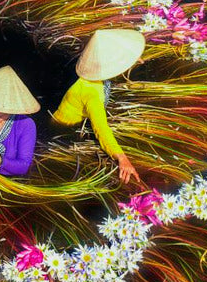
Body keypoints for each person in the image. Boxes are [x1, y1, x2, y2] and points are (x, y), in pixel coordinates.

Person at [51, 28, 144, 184]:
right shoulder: (91, 94)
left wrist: (131, 58)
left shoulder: (89, 62)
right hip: (64, 127)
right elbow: (101, 129)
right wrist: (121, 157)